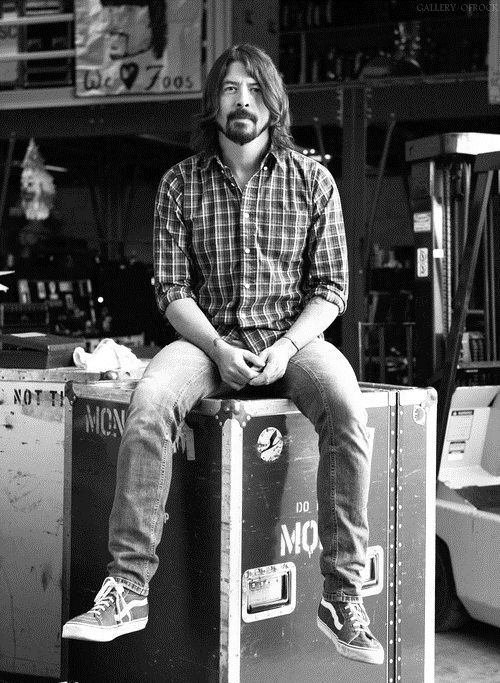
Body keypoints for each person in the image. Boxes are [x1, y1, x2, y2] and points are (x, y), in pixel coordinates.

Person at [62, 42, 384, 666]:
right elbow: (171, 288)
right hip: (204, 344)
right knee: (151, 402)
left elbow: (332, 288)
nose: (243, 100)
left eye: (256, 90)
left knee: (347, 409)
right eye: (232, 89)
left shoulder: (312, 181)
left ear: (274, 102)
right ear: (214, 101)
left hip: (295, 342)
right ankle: (128, 588)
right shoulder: (180, 183)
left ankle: (342, 597)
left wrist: (289, 346)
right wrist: (215, 345)